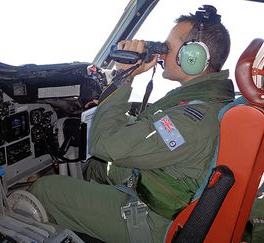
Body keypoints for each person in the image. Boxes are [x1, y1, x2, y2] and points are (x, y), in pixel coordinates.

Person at [29, 4, 233, 243]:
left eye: (168, 47)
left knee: (44, 190)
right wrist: (110, 107)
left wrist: (124, 76)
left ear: (193, 56)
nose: (162, 53)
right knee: (95, 168)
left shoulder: (193, 118)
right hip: (165, 191)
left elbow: (105, 144)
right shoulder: (206, 102)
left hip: (154, 221)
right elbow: (152, 134)